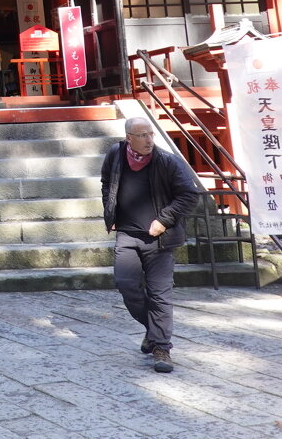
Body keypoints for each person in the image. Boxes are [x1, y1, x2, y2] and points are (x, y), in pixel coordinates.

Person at [100, 117, 201, 374]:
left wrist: (164, 220)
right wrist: (110, 215)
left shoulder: (167, 160)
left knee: (160, 295)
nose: (148, 140)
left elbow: (190, 195)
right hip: (127, 234)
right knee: (126, 286)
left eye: (150, 135)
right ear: (128, 139)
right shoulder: (116, 155)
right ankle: (153, 330)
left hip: (159, 239)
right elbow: (106, 184)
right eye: (141, 135)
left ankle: (162, 348)